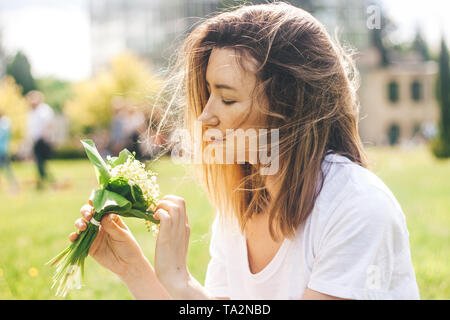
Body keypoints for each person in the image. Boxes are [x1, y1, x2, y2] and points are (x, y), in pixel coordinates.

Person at [71, 3, 420, 300]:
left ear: (290, 109)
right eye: (208, 94)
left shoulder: (356, 206)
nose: (206, 115)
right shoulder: (241, 206)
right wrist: (135, 271)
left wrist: (182, 283)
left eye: (227, 98)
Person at [26, 90, 54, 189]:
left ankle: (45, 180)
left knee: (40, 161)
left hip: (42, 140)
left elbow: (48, 124)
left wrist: (45, 136)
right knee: (39, 162)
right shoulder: (32, 112)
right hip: (35, 140)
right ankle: (45, 179)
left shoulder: (44, 110)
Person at [0, 110, 19, 192]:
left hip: (2, 150)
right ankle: (14, 185)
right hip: (2, 149)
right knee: (7, 168)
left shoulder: (5, 122)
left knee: (7, 168)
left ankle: (14, 185)